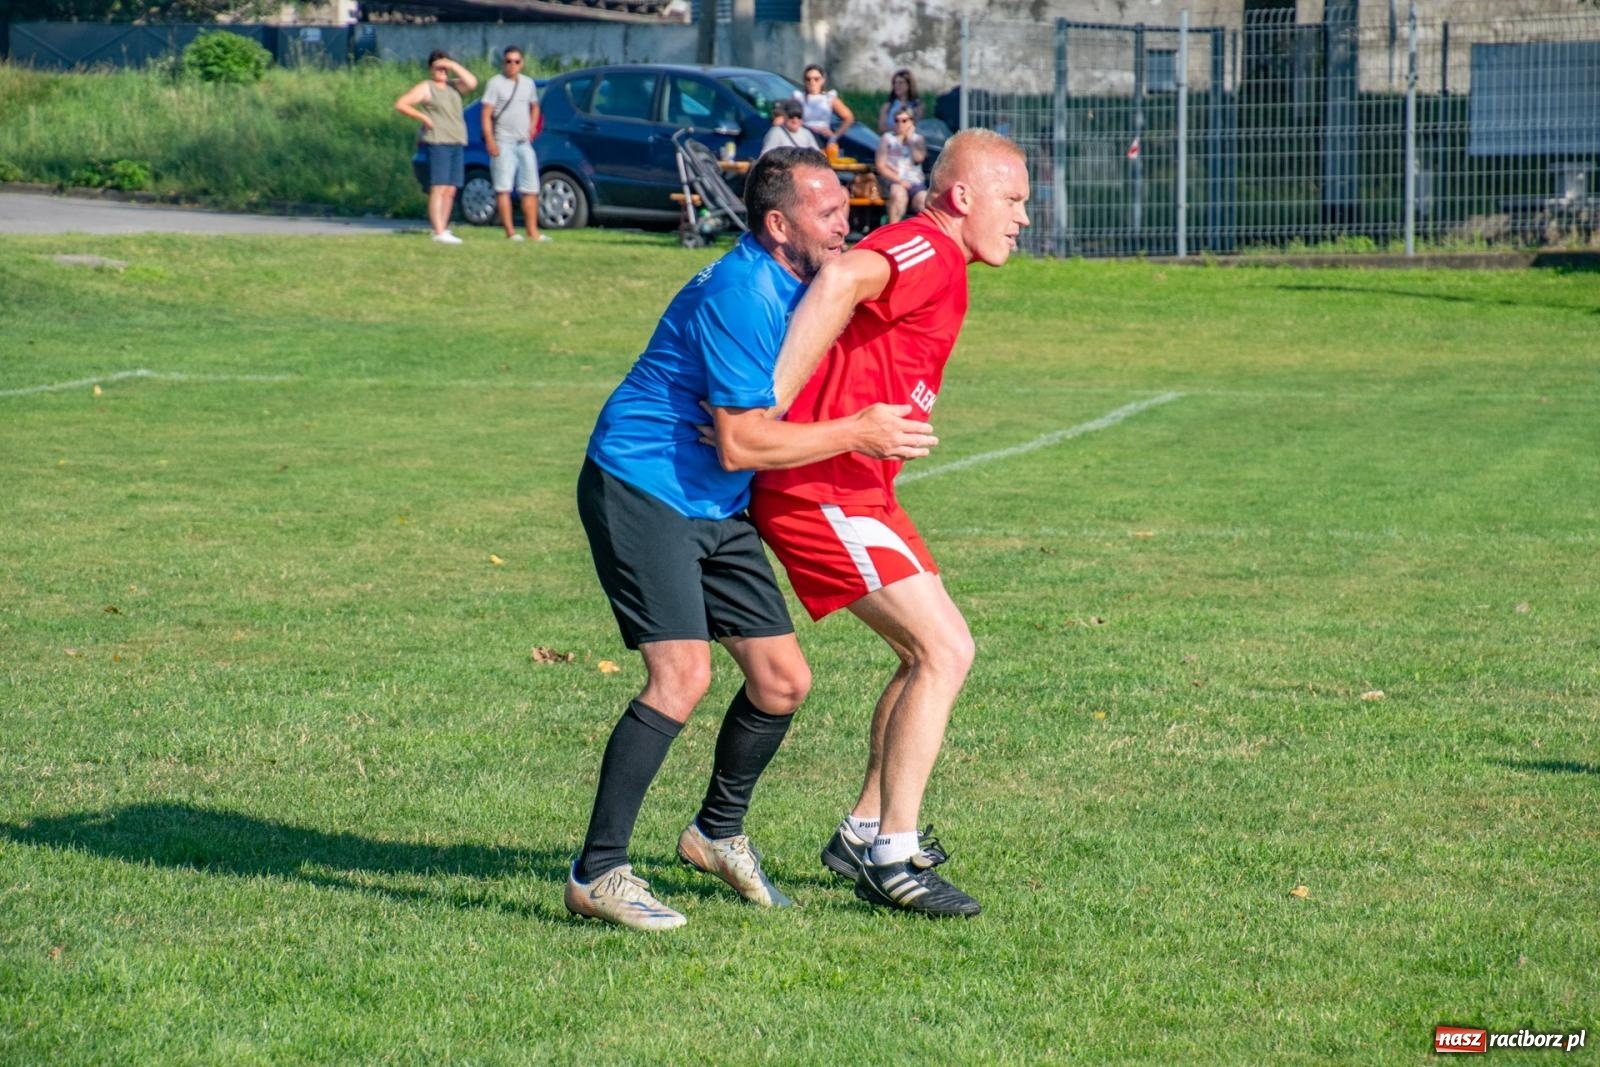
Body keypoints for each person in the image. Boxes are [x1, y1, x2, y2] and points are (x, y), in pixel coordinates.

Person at [566, 147, 939, 931]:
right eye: (830, 213)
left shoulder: (797, 284)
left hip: (716, 501)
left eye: (847, 208)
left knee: (781, 681)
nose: (847, 224)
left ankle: (715, 833)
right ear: (778, 225)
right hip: (643, 486)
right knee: (681, 678)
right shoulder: (741, 292)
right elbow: (741, 442)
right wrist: (861, 430)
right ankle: (598, 872)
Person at [746, 129, 1031, 918]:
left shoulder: (947, 260)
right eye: (1013, 200)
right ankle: (892, 856)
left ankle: (863, 830)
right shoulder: (927, 248)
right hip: (819, 486)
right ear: (963, 196)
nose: (1023, 219)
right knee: (945, 648)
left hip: (859, 485)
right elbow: (840, 275)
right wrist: (771, 398)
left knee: (924, 653)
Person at [394, 51, 478, 245]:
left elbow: (472, 82)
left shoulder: (454, 87)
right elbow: (401, 104)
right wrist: (423, 117)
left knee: (451, 189)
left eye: (444, 67)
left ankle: (444, 227)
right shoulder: (427, 87)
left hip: (456, 140)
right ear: (430, 68)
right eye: (437, 67)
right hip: (438, 141)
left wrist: (453, 65)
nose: (441, 71)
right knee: (438, 187)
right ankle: (437, 230)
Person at [480, 46, 547, 242]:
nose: (512, 65)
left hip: (523, 142)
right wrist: (490, 140)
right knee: (503, 187)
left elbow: (535, 107)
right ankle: (510, 232)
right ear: (503, 63)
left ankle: (532, 232)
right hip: (503, 141)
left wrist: (533, 127)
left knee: (531, 188)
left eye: (516, 61)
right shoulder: (495, 83)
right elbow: (486, 114)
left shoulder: (528, 84)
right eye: (509, 61)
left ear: (522, 63)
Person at [875, 106, 928, 223]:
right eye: (896, 120)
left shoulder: (917, 139)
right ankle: (894, 230)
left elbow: (918, 158)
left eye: (904, 121)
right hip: (895, 181)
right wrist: (899, 180)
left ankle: (922, 233)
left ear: (911, 122)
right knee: (899, 195)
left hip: (915, 182)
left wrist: (909, 140)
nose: (900, 124)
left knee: (924, 200)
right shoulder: (887, 138)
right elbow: (880, 166)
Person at [793, 65, 854, 152]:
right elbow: (787, 114)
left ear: (822, 80)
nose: (812, 82)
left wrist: (835, 136)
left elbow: (848, 117)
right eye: (808, 79)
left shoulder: (829, 98)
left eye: (816, 79)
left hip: (822, 138)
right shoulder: (799, 98)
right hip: (803, 137)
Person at [876, 68, 925, 134]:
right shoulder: (887, 106)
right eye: (895, 83)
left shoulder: (917, 105)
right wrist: (897, 129)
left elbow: (916, 125)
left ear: (909, 85)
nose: (896, 86)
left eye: (900, 83)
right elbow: (882, 127)